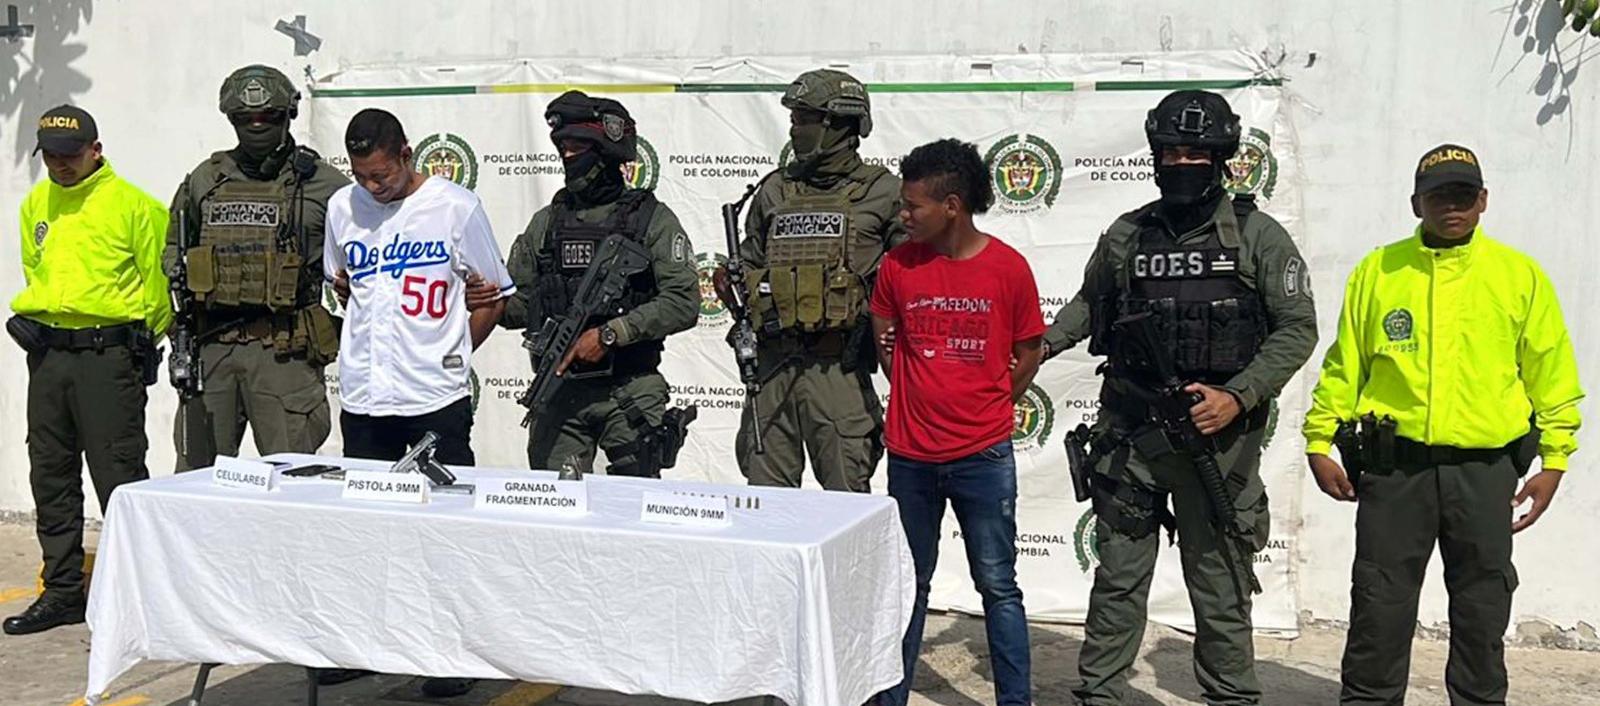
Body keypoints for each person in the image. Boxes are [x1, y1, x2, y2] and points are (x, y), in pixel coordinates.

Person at [1043, 90, 1318, 705]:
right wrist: (1038, 347)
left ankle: (1230, 697)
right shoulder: (1126, 235)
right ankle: (1100, 696)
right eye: (1171, 151)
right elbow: (1091, 305)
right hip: (1131, 437)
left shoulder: (1258, 237)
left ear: (1222, 157)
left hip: (1216, 443)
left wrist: (1238, 396)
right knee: (1117, 581)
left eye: (1197, 151)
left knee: (1218, 585)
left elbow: (1297, 328)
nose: (1182, 162)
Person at [1302, 144, 1583, 705]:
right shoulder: (1378, 271)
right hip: (1393, 470)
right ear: (1415, 203)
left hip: (1484, 472)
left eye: (1462, 195)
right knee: (1379, 608)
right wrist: (1319, 439)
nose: (1450, 207)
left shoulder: (1518, 276)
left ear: (1483, 201)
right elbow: (1345, 365)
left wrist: (1554, 461)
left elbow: (1552, 373)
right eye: (1437, 197)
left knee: (1482, 609)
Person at [319, 108, 512, 699]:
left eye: (382, 174)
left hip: (434, 399)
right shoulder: (341, 209)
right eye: (361, 176)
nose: (373, 187)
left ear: (407, 154)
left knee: (445, 529)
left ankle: (453, 651)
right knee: (370, 528)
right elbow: (342, 283)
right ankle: (366, 645)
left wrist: (452, 351)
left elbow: (493, 294)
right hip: (364, 397)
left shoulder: (455, 206)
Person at [869, 138, 1043, 706]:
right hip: (911, 456)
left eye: (913, 205)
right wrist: (918, 392)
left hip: (983, 457)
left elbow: (1030, 350)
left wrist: (991, 402)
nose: (903, 215)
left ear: (951, 206)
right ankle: (890, 696)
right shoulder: (896, 266)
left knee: (998, 586)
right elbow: (882, 331)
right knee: (907, 587)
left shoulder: (1008, 269)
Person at [4, 106, 170, 635]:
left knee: (118, 475)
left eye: (70, 155)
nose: (60, 165)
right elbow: (39, 271)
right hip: (50, 358)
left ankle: (139, 593)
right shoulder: (37, 203)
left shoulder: (135, 206)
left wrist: (139, 344)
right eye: (50, 156)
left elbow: (159, 287)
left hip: (107, 356)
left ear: (95, 150)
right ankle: (62, 590)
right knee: (50, 472)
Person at [711, 68, 903, 492]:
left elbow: (915, 280)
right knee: (767, 502)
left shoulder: (885, 192)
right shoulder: (774, 191)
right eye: (794, 119)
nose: (794, 129)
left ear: (838, 123)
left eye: (803, 119)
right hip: (773, 364)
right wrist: (731, 278)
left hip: (839, 366)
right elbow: (752, 257)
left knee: (845, 505)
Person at [488, 90, 697, 475]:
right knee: (552, 503)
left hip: (629, 389)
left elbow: (684, 301)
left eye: (577, 148)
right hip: (561, 387)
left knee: (634, 504)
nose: (568, 157)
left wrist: (610, 334)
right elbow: (520, 306)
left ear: (606, 153)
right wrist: (487, 299)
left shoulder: (651, 220)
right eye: (562, 148)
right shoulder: (547, 223)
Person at [164, 64, 347, 470]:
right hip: (212, 347)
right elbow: (176, 250)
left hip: (283, 352)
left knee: (292, 478)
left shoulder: (323, 184)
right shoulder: (205, 179)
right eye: (245, 119)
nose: (256, 125)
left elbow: (359, 264)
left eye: (268, 117)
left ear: (288, 116)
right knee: (196, 478)